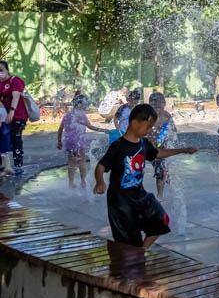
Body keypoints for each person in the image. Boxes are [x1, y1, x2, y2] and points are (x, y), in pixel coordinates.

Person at [93, 103, 197, 248]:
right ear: (135, 123)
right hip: (120, 201)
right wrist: (100, 182)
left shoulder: (144, 143)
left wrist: (183, 150)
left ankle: (142, 251)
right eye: (148, 127)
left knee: (161, 220)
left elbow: (158, 154)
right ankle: (132, 258)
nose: (150, 131)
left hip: (139, 196)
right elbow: (101, 165)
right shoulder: (119, 146)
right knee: (128, 241)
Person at [56, 95, 105, 188]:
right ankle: (83, 182)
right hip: (79, 141)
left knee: (71, 162)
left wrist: (59, 141)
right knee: (81, 161)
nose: (85, 106)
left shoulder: (68, 115)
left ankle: (71, 183)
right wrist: (103, 130)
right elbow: (90, 126)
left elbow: (60, 129)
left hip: (69, 142)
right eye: (84, 104)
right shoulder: (81, 115)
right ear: (80, 105)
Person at [0, 61, 29, 175]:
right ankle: (4, 166)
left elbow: (15, 97)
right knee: (4, 139)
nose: (0, 73)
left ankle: (18, 166)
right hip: (4, 115)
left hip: (18, 114)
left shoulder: (15, 81)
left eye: (1, 70)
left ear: (7, 70)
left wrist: (12, 111)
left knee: (16, 139)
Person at [147, 92, 176, 200]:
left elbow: (173, 130)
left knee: (161, 169)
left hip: (162, 148)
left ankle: (160, 195)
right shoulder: (147, 117)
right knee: (160, 169)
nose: (157, 110)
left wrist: (167, 137)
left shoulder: (166, 116)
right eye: (154, 108)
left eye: (159, 107)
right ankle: (161, 192)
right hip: (150, 148)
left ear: (164, 104)